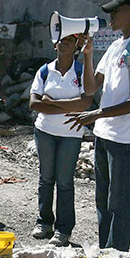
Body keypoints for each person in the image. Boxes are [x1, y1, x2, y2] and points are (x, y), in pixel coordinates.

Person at [65, 0, 130, 251]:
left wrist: (97, 114)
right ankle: (105, 253)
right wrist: (87, 54)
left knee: (121, 204)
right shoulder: (117, 46)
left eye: (117, 10)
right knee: (103, 202)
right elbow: (92, 88)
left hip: (125, 140)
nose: (112, 16)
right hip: (104, 135)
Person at [29, 34, 92, 246]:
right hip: (45, 131)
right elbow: (34, 104)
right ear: (55, 44)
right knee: (46, 178)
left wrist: (53, 103)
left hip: (71, 134)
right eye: (61, 40)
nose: (64, 43)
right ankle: (44, 222)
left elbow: (85, 104)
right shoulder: (45, 71)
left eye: (70, 41)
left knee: (64, 182)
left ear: (76, 46)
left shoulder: (82, 71)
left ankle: (63, 230)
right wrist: (69, 105)